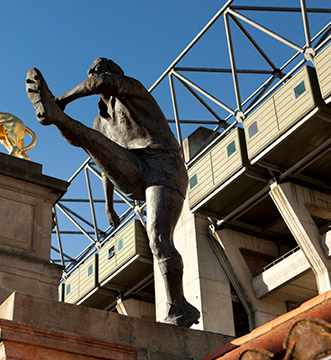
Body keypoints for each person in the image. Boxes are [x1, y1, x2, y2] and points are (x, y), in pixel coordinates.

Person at [25, 58, 200, 327]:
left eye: (97, 73)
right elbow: (101, 158)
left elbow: (102, 83)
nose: (93, 78)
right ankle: (57, 118)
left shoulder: (132, 88)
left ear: (113, 74)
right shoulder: (100, 121)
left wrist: (61, 99)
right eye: (91, 74)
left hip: (163, 166)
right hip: (133, 168)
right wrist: (108, 205)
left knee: (159, 240)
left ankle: (180, 306)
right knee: (91, 139)